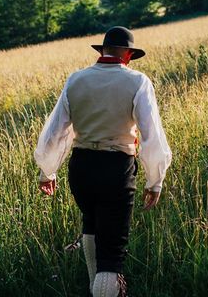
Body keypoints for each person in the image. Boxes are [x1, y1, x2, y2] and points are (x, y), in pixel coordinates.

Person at [34, 26, 172, 297]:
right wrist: (155, 180)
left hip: (81, 166)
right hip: (116, 168)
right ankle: (103, 289)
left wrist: (47, 170)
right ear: (128, 55)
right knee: (111, 254)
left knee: (91, 223)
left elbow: (56, 130)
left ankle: (94, 287)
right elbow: (151, 134)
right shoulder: (137, 81)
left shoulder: (76, 80)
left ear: (103, 51)